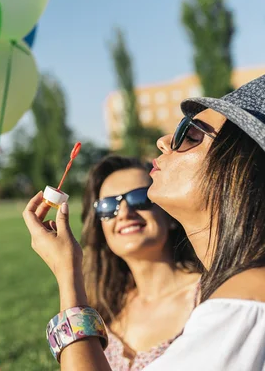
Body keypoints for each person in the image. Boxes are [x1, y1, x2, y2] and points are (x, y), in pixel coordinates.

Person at [24, 71, 265, 370]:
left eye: (190, 134)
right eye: (107, 206)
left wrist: (67, 273)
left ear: (241, 170)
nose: (163, 141)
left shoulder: (258, 296)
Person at [79, 155, 201, 370]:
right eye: (108, 206)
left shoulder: (209, 297)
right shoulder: (104, 307)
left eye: (139, 198)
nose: (124, 213)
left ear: (170, 215)